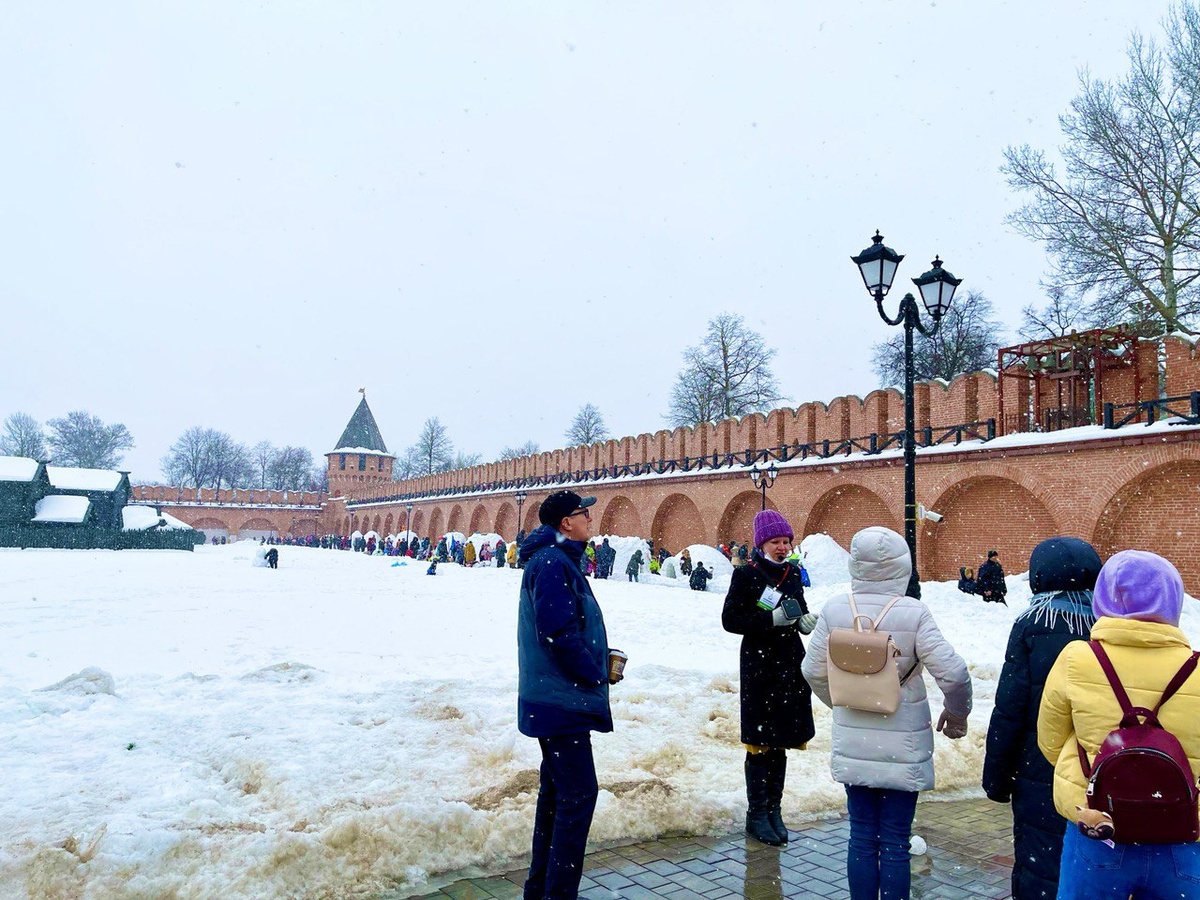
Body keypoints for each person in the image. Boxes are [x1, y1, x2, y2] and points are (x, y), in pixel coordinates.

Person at [802, 526, 972, 900]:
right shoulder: (913, 614)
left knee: (861, 836)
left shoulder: (834, 609)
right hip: (903, 743)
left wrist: (844, 701)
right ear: (903, 568)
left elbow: (812, 670)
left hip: (855, 738)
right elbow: (954, 673)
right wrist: (956, 715)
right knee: (895, 841)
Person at [1038, 549, 1200, 900]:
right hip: (1182, 833)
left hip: (1099, 828)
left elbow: (1049, 740)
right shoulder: (1197, 669)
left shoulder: (1077, 658)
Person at [982, 537, 1101, 900]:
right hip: (1099, 769)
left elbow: (1010, 708)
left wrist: (997, 778)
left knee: (1041, 861)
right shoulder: (1109, 625)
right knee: (1093, 861)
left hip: (1040, 767)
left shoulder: (1032, 625)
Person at [518, 490, 623, 900]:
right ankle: (557, 893)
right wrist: (594, 670)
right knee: (578, 795)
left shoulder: (556, 560)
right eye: (583, 514)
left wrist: (598, 654)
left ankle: (541, 889)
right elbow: (558, 633)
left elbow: (565, 627)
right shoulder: (552, 563)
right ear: (566, 523)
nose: (589, 520)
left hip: (555, 698)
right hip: (560, 701)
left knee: (558, 793)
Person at [721, 509, 818, 846]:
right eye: (776, 541)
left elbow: (799, 608)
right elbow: (731, 620)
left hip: (789, 665)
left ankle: (775, 810)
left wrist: (805, 622)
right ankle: (756, 813)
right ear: (762, 543)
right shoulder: (747, 575)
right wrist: (769, 621)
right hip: (760, 667)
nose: (782, 546)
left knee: (782, 740)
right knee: (760, 743)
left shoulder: (792, 574)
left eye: (787, 541)